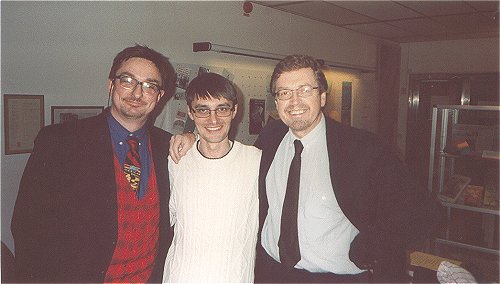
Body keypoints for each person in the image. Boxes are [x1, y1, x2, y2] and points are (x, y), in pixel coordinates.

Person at [170, 54, 437, 283]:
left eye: (305, 90)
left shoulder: (362, 148)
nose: (294, 101)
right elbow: (220, 143)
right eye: (285, 93)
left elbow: (421, 212)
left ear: (322, 96)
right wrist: (192, 136)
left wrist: (371, 246)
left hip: (335, 278)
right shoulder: (271, 138)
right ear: (276, 102)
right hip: (272, 274)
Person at [11, 45, 175, 283]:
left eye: (149, 85)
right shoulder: (60, 142)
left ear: (159, 97)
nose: (137, 93)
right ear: (111, 85)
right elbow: (26, 226)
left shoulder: (168, 147)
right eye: (127, 80)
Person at [163, 72, 261, 282]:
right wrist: (191, 136)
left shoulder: (257, 162)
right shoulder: (175, 160)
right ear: (190, 112)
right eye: (202, 110)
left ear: (235, 111)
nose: (213, 119)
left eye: (222, 108)